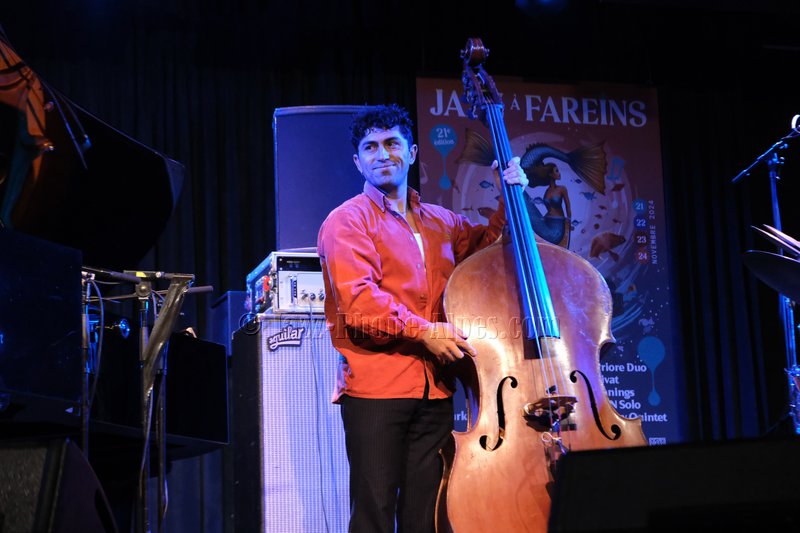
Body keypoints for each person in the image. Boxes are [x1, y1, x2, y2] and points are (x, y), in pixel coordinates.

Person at [317, 103, 527, 533]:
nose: (383, 154)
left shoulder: (441, 221)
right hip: (376, 389)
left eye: (392, 143)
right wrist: (426, 330)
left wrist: (510, 197)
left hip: (436, 389)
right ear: (358, 161)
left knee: (427, 516)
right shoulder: (347, 221)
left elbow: (489, 252)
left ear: (412, 152)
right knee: (374, 514)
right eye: (371, 147)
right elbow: (360, 303)